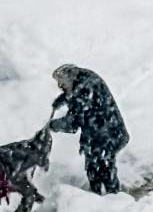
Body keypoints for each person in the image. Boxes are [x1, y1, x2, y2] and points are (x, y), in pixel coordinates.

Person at [49, 64, 128, 195]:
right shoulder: (86, 79)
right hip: (103, 135)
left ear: (69, 78)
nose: (60, 87)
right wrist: (60, 101)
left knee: (103, 171)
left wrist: (51, 125)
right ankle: (100, 198)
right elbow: (75, 96)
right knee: (95, 169)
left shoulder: (84, 89)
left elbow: (73, 123)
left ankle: (113, 202)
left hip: (106, 136)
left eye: (61, 82)